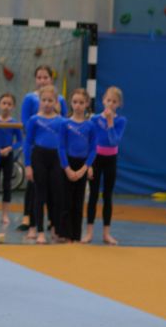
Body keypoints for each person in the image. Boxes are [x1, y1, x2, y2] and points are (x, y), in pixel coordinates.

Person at [18, 65, 67, 229]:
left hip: (54, 150)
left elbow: (64, 122)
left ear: (51, 79)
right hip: (36, 147)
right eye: (39, 77)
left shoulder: (59, 99)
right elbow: (26, 121)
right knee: (34, 185)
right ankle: (28, 217)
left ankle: (52, 220)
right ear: (35, 79)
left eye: (45, 77)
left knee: (53, 186)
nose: (42, 80)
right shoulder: (29, 98)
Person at [82, 86, 126, 245]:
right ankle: (89, 232)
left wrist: (110, 122)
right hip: (96, 159)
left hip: (110, 160)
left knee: (107, 196)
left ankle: (106, 233)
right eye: (108, 100)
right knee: (93, 195)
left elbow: (114, 141)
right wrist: (88, 164)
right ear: (103, 101)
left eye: (114, 101)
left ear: (119, 104)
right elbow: (89, 142)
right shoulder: (94, 120)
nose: (110, 104)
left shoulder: (121, 121)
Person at [59, 88, 96, 242]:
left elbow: (93, 149)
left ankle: (76, 235)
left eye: (81, 102)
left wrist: (84, 168)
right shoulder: (65, 123)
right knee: (66, 201)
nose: (78, 105)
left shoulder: (90, 126)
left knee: (78, 202)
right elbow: (61, 147)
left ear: (87, 104)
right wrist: (67, 168)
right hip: (68, 163)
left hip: (82, 165)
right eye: (75, 102)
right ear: (71, 103)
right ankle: (65, 234)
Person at [0, 91, 22, 229]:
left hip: (8, 155)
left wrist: (9, 148)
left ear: (13, 107)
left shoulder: (14, 123)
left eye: (9, 104)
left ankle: (5, 214)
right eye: (4, 103)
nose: (6, 106)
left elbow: (20, 141)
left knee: (7, 185)